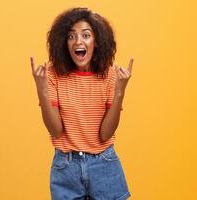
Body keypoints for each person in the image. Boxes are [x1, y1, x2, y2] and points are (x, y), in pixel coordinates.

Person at [30, 7, 133, 200]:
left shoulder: (111, 75)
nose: (78, 41)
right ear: (63, 43)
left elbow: (105, 135)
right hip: (66, 167)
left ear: (97, 42)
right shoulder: (52, 74)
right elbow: (56, 131)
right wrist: (41, 90)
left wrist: (120, 91)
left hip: (103, 163)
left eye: (86, 35)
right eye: (71, 36)